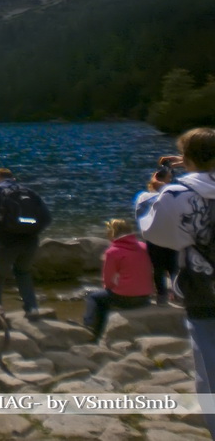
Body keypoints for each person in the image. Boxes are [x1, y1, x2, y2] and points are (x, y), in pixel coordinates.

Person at [140, 127, 215, 439]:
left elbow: (156, 232)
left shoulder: (177, 193)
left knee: (209, 365)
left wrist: (157, 193)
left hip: (204, 289)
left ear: (187, 158)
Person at [0, 168, 51, 318]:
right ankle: (32, 309)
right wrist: (33, 232)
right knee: (23, 272)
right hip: (30, 241)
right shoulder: (29, 192)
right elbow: (47, 217)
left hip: (6, 241)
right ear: (13, 178)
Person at [83, 219, 153, 341]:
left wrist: (111, 288)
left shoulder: (112, 252)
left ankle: (90, 328)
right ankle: (98, 333)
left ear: (112, 233)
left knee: (94, 297)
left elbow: (108, 281)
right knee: (106, 298)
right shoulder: (144, 247)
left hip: (126, 300)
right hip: (145, 297)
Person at [134, 165, 178, 304]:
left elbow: (139, 216)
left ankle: (162, 296)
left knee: (158, 267)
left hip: (153, 237)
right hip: (172, 236)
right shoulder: (169, 195)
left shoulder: (143, 197)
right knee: (173, 267)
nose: (171, 182)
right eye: (169, 179)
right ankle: (178, 295)